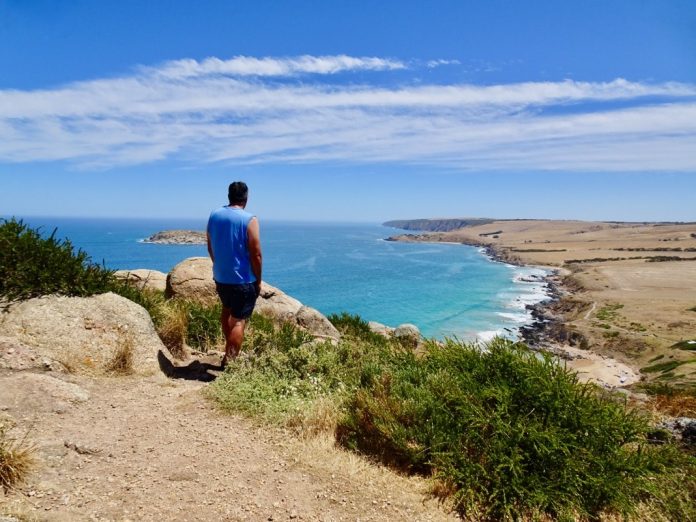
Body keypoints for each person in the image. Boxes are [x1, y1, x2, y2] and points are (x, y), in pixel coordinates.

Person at [207, 181, 262, 367]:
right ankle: (229, 362)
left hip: (221, 277)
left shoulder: (214, 215)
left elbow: (210, 243)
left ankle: (229, 346)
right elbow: (256, 254)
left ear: (229, 196)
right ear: (246, 198)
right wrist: (259, 280)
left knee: (226, 312)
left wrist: (218, 265)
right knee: (238, 321)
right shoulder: (249, 219)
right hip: (242, 280)